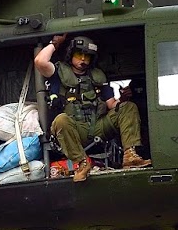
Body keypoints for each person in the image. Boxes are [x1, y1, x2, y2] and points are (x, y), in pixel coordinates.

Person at [33, 34, 150, 183]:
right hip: (74, 128)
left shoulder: (97, 76)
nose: (82, 59)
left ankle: (130, 156)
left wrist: (123, 99)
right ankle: (82, 163)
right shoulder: (59, 71)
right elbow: (40, 61)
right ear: (71, 55)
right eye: (79, 54)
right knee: (60, 120)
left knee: (128, 107)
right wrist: (55, 43)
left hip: (99, 125)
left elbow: (111, 105)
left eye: (86, 56)